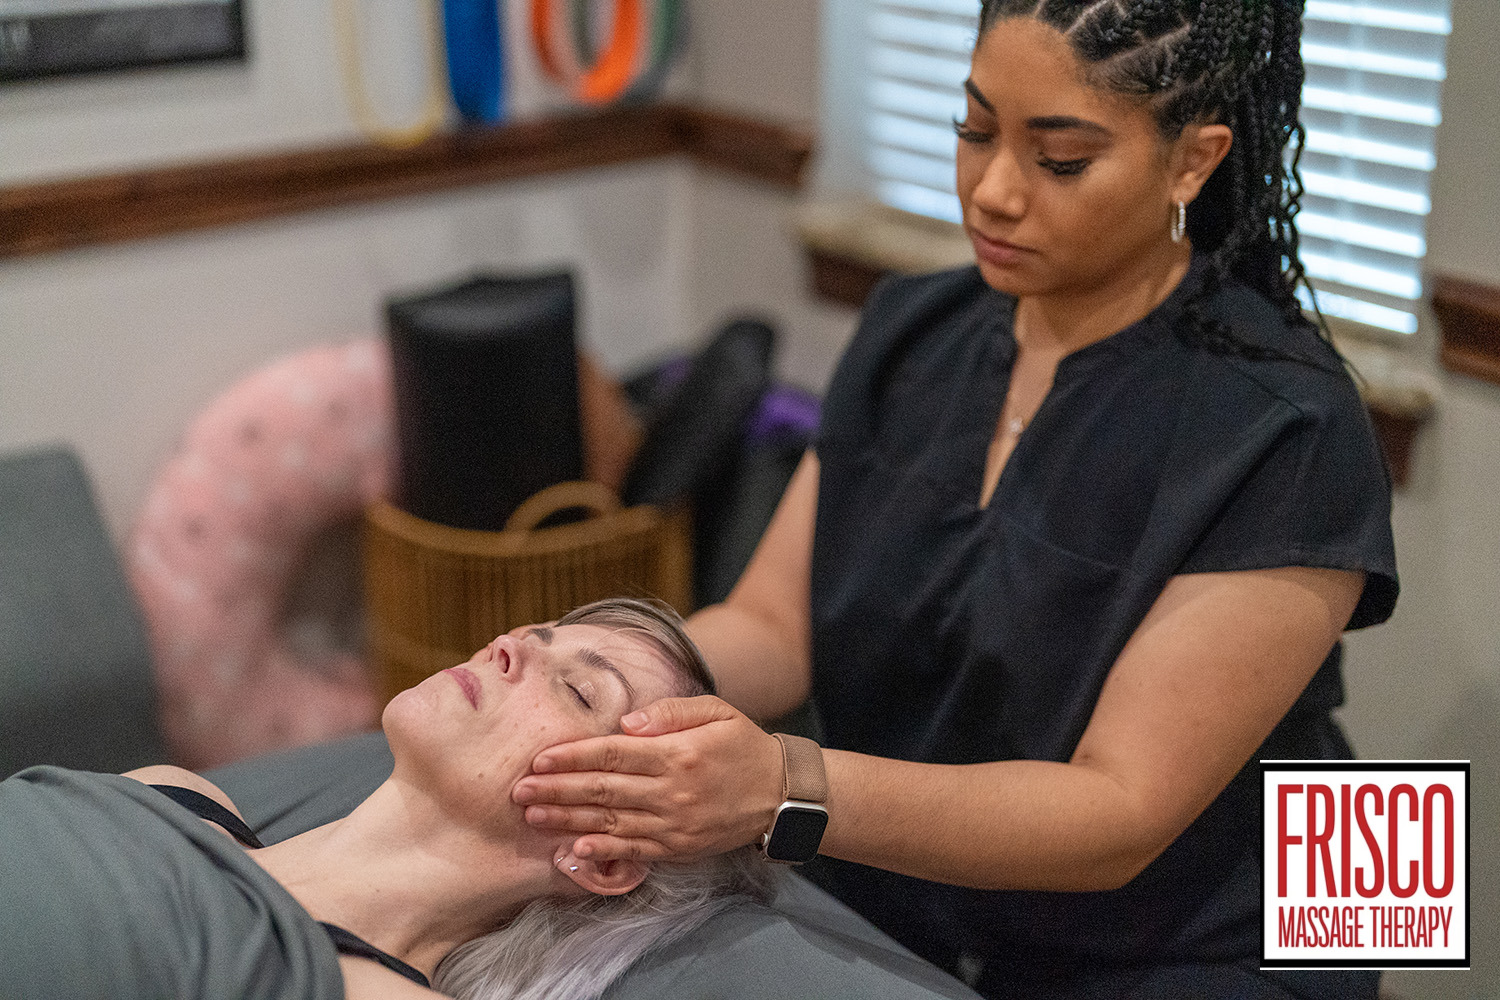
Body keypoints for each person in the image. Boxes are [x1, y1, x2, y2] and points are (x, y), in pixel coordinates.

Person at [508, 2, 1399, 998]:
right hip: (907, 894)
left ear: (1193, 161)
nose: (994, 191)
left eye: (1059, 159)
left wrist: (780, 783)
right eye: (975, 132)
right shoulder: (912, 331)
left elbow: (1119, 814)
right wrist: (597, 688)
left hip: (1226, 928)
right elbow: (771, 621)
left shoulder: (1289, 425)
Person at [0, 598, 769, 1000]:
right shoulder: (175, 792)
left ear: (601, 856)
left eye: (575, 687)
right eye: (536, 634)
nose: (508, 645)